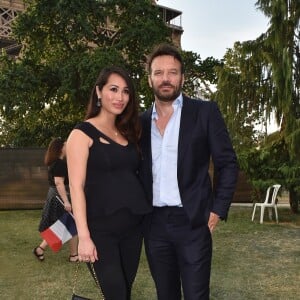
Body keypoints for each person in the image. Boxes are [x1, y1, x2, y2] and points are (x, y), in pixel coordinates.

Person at [138, 43, 239, 300]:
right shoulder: (137, 123)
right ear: (150, 79)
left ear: (182, 77)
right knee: (165, 294)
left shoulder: (205, 112)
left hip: (193, 222)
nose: (166, 79)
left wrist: (217, 209)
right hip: (154, 225)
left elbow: (227, 163)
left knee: (196, 295)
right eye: (159, 73)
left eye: (172, 72)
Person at [66, 66, 152, 300]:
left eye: (125, 91)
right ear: (98, 92)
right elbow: (76, 187)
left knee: (125, 291)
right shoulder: (81, 134)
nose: (120, 97)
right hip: (100, 232)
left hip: (133, 229)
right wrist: (83, 237)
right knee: (116, 294)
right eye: (113, 89)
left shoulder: (128, 133)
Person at [33, 138, 78, 262]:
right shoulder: (59, 163)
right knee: (67, 224)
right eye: (65, 145)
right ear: (60, 148)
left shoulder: (56, 162)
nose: (67, 147)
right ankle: (41, 249)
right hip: (59, 196)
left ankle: (73, 255)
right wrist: (66, 202)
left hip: (55, 195)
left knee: (69, 224)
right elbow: (59, 183)